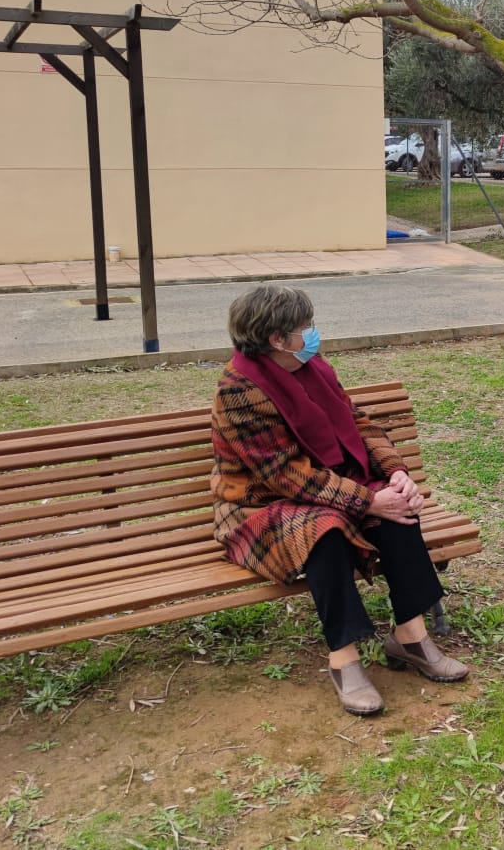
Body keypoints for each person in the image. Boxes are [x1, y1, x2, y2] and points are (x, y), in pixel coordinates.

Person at [210, 284, 468, 716]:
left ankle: (410, 636)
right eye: (306, 326)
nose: (313, 333)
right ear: (278, 339)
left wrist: (395, 472)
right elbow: (283, 474)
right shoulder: (238, 390)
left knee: (397, 509)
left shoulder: (313, 368)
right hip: (259, 505)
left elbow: (357, 422)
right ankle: (343, 658)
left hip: (329, 486)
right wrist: (366, 501)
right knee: (324, 530)